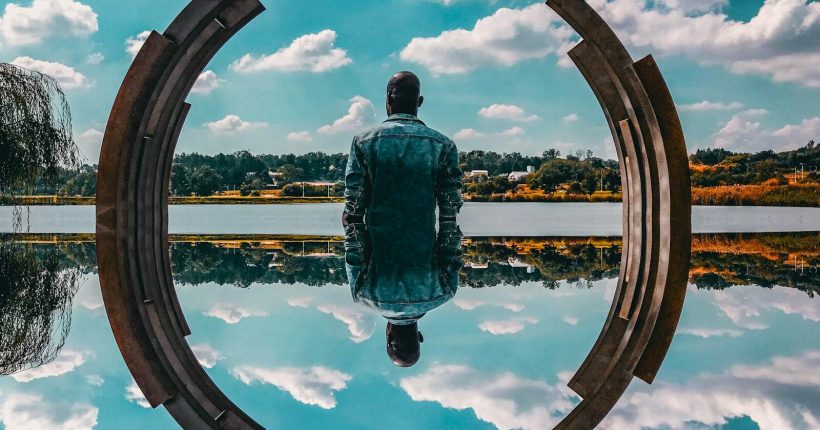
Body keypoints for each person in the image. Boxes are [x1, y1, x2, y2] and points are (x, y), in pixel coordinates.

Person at [342, 71, 464, 367]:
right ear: (419, 101)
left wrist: (351, 221)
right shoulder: (443, 145)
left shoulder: (364, 141)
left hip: (377, 231)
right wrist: (448, 226)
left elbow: (353, 204)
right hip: (424, 231)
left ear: (387, 100)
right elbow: (450, 207)